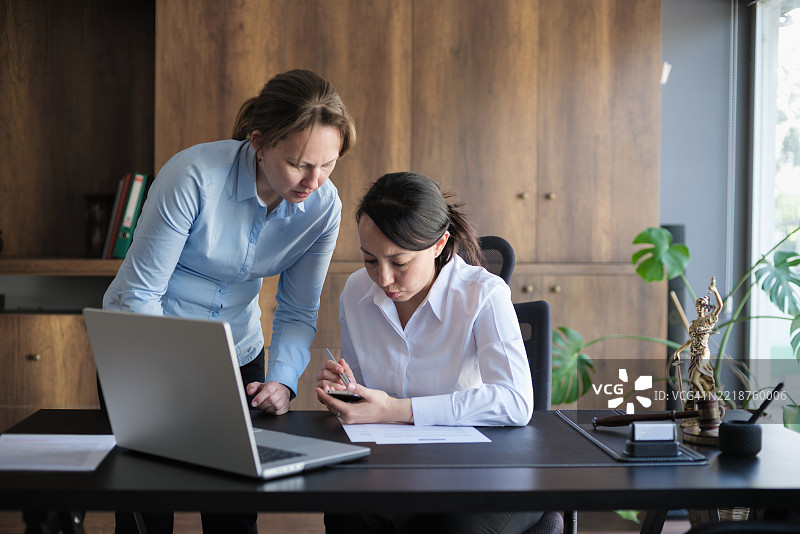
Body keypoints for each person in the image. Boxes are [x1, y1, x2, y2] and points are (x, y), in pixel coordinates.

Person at [102, 69, 356, 534]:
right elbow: (142, 293)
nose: (314, 181)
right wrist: (166, 384)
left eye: (328, 165)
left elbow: (298, 309)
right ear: (259, 143)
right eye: (299, 164)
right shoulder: (193, 177)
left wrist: (282, 380)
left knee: (234, 514)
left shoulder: (323, 208)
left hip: (236, 350)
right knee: (149, 511)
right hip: (150, 346)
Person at [315, 172, 542, 534]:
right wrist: (347, 393)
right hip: (393, 465)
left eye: (399, 263)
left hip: (479, 469)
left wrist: (395, 409)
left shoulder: (483, 294)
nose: (383, 279)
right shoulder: (356, 292)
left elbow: (515, 401)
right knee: (347, 511)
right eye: (370, 260)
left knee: (447, 526)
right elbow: (363, 392)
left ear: (439, 245)